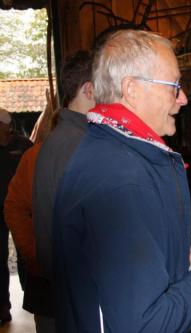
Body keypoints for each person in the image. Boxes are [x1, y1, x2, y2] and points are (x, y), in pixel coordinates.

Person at [52, 30, 191, 332]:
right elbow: (147, 324)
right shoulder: (121, 176)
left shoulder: (122, 153)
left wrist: (184, 252)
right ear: (132, 89)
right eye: (174, 86)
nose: (183, 98)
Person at [32, 50, 95, 332]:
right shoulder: (79, 144)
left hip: (64, 288)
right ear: (89, 89)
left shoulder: (61, 137)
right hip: (78, 294)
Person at [0, 108, 32, 325]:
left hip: (23, 211)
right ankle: (3, 306)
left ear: (6, 125)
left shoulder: (24, 146)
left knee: (27, 254)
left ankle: (31, 298)